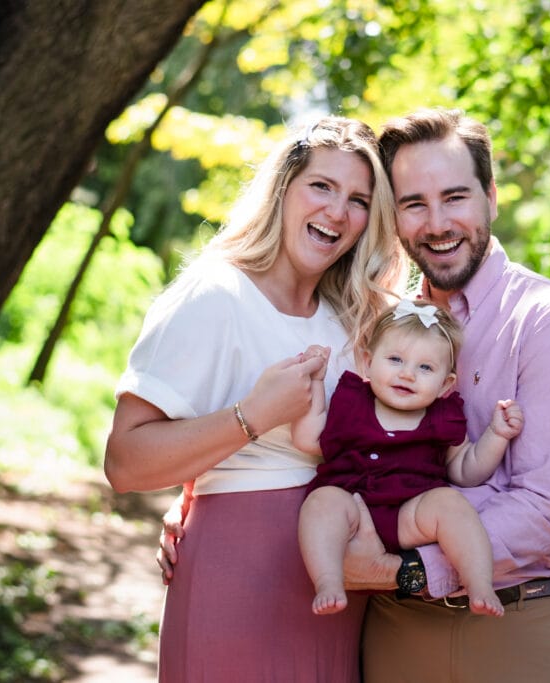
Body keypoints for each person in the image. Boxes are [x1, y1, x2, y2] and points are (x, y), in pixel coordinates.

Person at [160, 107, 550, 682]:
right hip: (392, 628)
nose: (438, 222)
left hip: (521, 620)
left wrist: (403, 570)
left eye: (456, 197)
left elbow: (546, 511)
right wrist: (198, 496)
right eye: (413, 203)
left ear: (491, 197)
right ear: (392, 217)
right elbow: (323, 441)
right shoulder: (377, 320)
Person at [104, 115, 408, 682]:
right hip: (238, 582)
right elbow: (124, 462)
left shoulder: (354, 321)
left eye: (358, 199)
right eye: (321, 186)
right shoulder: (215, 295)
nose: (337, 213)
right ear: (283, 189)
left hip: (336, 598)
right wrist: (253, 418)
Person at [293, 299, 524, 617]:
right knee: (321, 502)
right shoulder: (351, 400)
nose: (407, 374)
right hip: (351, 508)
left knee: (450, 503)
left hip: (409, 517)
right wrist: (316, 382)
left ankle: (480, 583)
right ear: (367, 361)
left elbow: (465, 471)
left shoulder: (444, 418)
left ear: (445, 384)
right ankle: (329, 580)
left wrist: (496, 436)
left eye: (425, 367)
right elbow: (307, 439)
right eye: (395, 359)